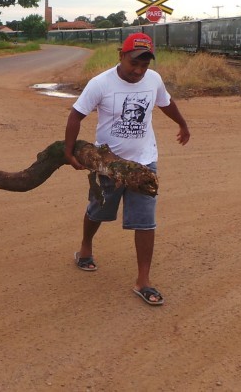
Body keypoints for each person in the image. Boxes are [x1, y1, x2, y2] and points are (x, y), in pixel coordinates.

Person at [63, 32, 190, 306]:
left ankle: (143, 280)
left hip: (144, 162)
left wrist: (183, 124)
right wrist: (68, 151)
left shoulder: (153, 79)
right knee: (98, 211)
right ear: (121, 55)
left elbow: (165, 102)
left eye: (144, 65)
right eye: (134, 63)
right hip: (109, 163)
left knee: (146, 222)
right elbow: (76, 115)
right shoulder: (100, 83)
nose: (139, 71)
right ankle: (85, 247)